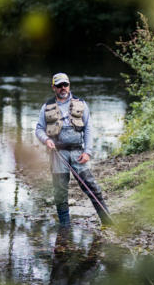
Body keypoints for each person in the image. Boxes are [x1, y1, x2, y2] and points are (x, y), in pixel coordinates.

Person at [35, 73, 111, 227]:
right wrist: (47, 140)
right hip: (57, 154)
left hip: (78, 153)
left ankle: (108, 221)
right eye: (59, 85)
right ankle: (65, 227)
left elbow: (88, 129)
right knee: (60, 193)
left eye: (65, 85)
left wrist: (87, 152)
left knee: (91, 186)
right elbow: (39, 129)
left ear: (69, 85)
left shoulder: (81, 104)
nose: (63, 88)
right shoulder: (46, 107)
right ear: (53, 88)